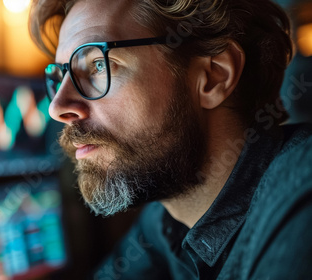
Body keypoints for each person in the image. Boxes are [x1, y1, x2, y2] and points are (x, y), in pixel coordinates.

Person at [29, 0, 312, 279]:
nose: (57, 108)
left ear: (214, 76)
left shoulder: (300, 192)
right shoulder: (166, 215)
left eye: (98, 66)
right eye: (61, 75)